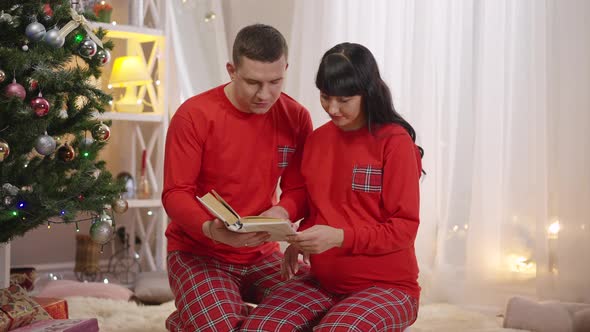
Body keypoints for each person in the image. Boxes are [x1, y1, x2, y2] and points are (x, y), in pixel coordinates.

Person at [242, 42, 423, 332]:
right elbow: (309, 196)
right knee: (259, 327)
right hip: (322, 281)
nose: (332, 109)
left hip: (388, 287)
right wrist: (286, 220)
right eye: (326, 98)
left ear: (367, 93)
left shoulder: (395, 142)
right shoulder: (317, 139)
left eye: (344, 99)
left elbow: (403, 229)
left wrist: (339, 237)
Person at [162, 24, 312, 332]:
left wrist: (282, 212)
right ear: (232, 70)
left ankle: (206, 313)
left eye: (275, 81)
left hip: (263, 253)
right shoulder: (194, 115)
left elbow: (298, 188)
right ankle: (200, 316)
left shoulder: (296, 117)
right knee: (220, 327)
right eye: (253, 82)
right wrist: (212, 230)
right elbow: (175, 194)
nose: (265, 94)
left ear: (286, 69)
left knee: (320, 311)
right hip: (198, 252)